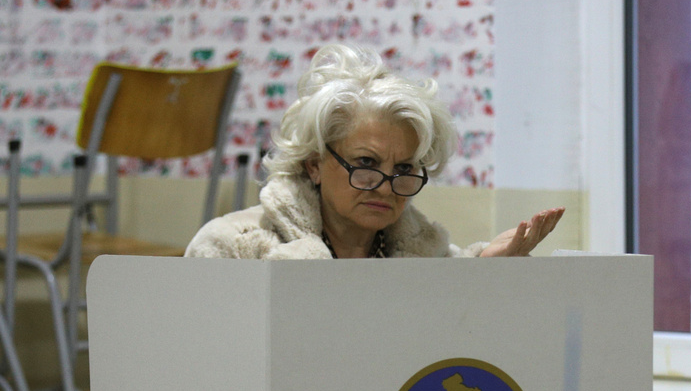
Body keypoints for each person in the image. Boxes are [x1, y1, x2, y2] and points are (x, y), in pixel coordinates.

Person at [185, 44, 563, 259]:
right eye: (366, 163)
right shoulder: (230, 247)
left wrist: (485, 267)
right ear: (314, 163)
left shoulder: (422, 252)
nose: (386, 187)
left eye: (403, 169)